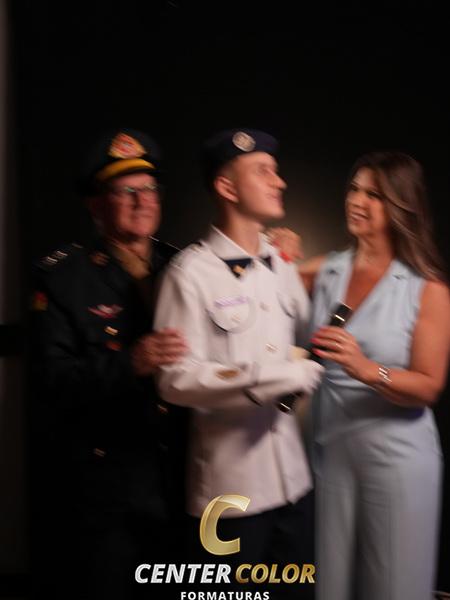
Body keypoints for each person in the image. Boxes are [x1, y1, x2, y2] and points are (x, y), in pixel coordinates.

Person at [272, 151, 450, 600]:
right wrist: (275, 251)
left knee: (394, 589)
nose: (357, 201)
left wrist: (367, 369)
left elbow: (429, 385)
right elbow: (261, 289)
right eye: (355, 189)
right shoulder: (325, 270)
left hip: (396, 462)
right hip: (330, 457)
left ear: (402, 205)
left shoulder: (427, 288)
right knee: (332, 588)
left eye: (375, 195)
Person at [154, 128, 323, 599]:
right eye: (263, 172)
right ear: (227, 187)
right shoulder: (190, 273)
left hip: (293, 482)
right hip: (230, 496)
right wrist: (268, 378)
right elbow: (173, 379)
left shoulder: (281, 263)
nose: (279, 181)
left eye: (276, 171)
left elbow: (302, 338)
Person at [30, 128, 188, 600]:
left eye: (150, 188)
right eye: (126, 191)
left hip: (181, 477)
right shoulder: (64, 278)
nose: (142, 201)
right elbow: (52, 380)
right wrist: (129, 364)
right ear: (97, 206)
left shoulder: (185, 267)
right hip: (107, 483)